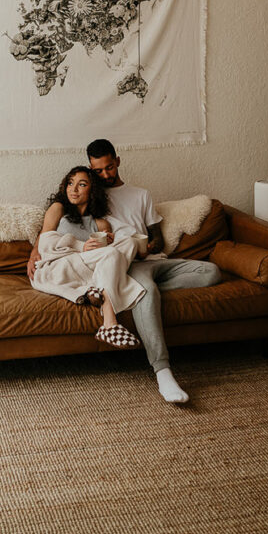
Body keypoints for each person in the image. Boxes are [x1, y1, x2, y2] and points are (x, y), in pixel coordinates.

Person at [86, 138, 222, 403]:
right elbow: (64, 215)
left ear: (118, 161)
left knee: (211, 272)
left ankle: (134, 295)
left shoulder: (141, 194)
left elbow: (157, 237)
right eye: (98, 171)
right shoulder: (93, 199)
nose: (105, 174)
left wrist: (149, 247)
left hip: (153, 259)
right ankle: (163, 372)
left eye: (109, 167)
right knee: (145, 289)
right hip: (129, 264)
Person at [29, 166, 145, 349]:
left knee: (129, 243)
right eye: (70, 183)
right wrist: (80, 246)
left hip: (87, 268)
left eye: (81, 184)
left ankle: (96, 288)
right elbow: (45, 241)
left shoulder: (100, 223)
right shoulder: (58, 209)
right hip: (59, 266)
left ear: (92, 190)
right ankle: (109, 323)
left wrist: (108, 242)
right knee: (112, 254)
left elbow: (105, 256)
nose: (73, 189)